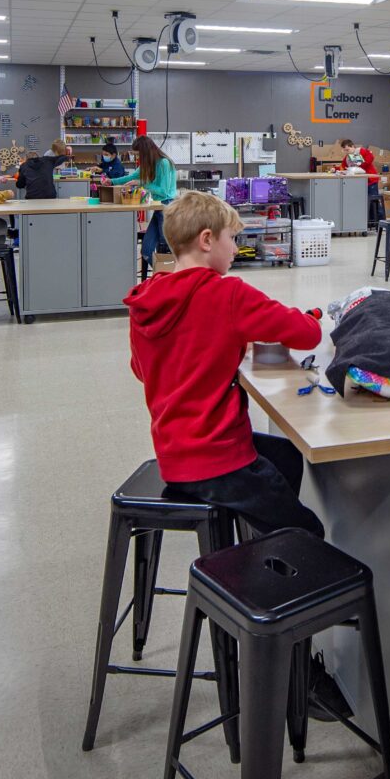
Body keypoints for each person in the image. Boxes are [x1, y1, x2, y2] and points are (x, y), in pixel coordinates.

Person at [125, 190, 324, 538]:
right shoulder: (229, 293)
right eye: (232, 239)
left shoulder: (146, 298)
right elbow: (307, 334)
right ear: (206, 240)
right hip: (218, 459)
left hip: (174, 452)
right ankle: (273, 560)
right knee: (308, 530)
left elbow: (142, 369)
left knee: (286, 456)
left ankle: (258, 540)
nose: (235, 249)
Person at [105, 136, 176, 263]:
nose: (138, 158)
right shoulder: (147, 164)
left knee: (164, 248)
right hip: (159, 207)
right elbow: (131, 177)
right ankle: (160, 276)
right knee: (146, 251)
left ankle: (167, 276)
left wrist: (141, 183)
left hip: (168, 207)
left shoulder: (163, 163)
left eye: (139, 155)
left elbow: (163, 191)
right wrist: (111, 182)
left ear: (145, 152)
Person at [340, 138, 380, 226]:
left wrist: (360, 163)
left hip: (370, 181)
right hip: (360, 183)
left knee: (373, 202)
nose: (347, 152)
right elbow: (342, 167)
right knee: (364, 203)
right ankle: (368, 222)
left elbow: (370, 158)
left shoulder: (361, 151)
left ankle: (377, 223)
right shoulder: (347, 158)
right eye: (345, 150)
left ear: (352, 146)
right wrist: (335, 169)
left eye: (348, 149)